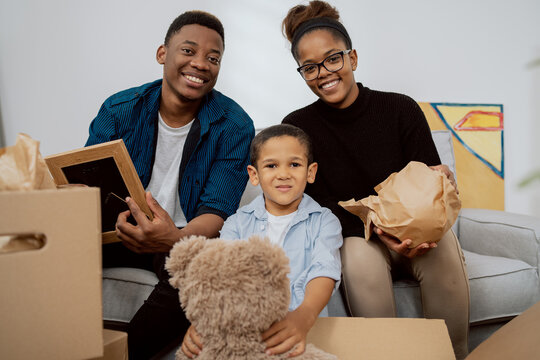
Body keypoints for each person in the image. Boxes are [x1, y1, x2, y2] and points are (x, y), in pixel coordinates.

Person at [280, 2, 470, 359]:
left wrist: (442, 183)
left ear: (352, 58)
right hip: (358, 236)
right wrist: (376, 227)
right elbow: (310, 206)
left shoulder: (400, 109)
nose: (323, 72)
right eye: (310, 67)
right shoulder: (296, 127)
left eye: (333, 59)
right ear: (302, 73)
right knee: (357, 256)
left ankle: (455, 354)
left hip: (416, 232)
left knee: (443, 250)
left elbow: (428, 182)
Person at [85, 10, 255, 359]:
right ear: (163, 54)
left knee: (207, 270)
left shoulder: (234, 125)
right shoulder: (119, 110)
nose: (201, 64)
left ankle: (124, 354)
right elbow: (90, 189)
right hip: (117, 231)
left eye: (213, 58)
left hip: (185, 237)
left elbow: (216, 210)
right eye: (188, 51)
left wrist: (172, 240)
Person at [180, 124, 343, 358]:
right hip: (244, 332)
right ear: (254, 175)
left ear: (311, 171)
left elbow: (324, 270)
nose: (284, 174)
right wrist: (204, 321)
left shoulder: (324, 221)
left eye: (294, 164)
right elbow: (221, 278)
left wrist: (303, 316)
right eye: (271, 165)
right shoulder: (236, 224)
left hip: (300, 330)